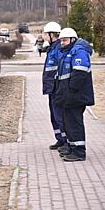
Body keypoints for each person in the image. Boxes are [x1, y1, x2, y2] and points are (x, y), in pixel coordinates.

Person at [53, 27, 94, 162]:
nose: (62, 43)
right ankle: (72, 148)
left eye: (64, 40)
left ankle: (79, 152)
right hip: (68, 95)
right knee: (68, 123)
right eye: (61, 40)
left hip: (75, 96)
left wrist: (71, 90)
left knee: (74, 123)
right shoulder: (67, 51)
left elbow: (79, 72)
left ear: (72, 39)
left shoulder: (79, 51)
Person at [41, 22, 65, 151]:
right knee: (54, 115)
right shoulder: (52, 48)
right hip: (52, 88)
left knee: (59, 115)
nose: (44, 36)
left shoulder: (58, 48)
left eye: (45, 34)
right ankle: (60, 139)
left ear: (52, 35)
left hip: (57, 88)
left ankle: (66, 140)